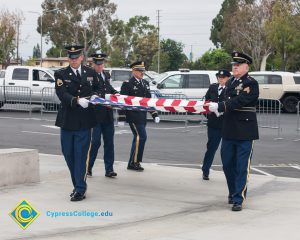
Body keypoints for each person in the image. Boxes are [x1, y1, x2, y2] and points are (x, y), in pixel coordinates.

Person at [208, 52, 259, 211]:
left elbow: (241, 100)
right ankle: (233, 191)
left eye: (238, 65)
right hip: (228, 129)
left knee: (242, 166)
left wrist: (222, 106)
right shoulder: (230, 82)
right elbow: (226, 100)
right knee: (228, 165)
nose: (234, 67)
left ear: (246, 67)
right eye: (233, 65)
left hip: (244, 131)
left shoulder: (251, 83)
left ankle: (238, 198)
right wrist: (218, 109)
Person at [55, 45, 101, 201]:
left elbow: (98, 88)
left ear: (82, 57)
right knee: (68, 154)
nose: (74, 60)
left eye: (76, 57)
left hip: (84, 121)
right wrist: (76, 100)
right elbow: (62, 94)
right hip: (67, 120)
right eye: (71, 57)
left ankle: (80, 189)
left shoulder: (91, 73)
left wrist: (94, 96)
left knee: (81, 155)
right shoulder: (61, 74)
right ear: (68, 58)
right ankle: (78, 185)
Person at [120, 61, 160, 171]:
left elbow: (148, 101)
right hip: (133, 116)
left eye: (143, 70)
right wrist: (121, 118)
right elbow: (123, 101)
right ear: (133, 71)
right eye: (140, 71)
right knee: (142, 137)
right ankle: (135, 162)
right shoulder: (127, 84)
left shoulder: (145, 83)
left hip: (142, 116)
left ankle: (131, 162)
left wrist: (154, 113)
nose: (142, 73)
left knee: (137, 139)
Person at [88, 53, 119, 178]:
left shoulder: (106, 74)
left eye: (101, 64)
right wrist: (98, 95)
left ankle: (109, 169)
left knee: (109, 142)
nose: (100, 66)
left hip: (107, 114)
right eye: (97, 64)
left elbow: (109, 88)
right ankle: (88, 167)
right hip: (96, 115)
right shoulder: (90, 75)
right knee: (95, 142)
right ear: (93, 64)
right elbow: (90, 91)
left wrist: (116, 93)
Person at [202, 69, 230, 180]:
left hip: (226, 123)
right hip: (213, 123)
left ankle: (229, 173)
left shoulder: (230, 89)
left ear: (228, 78)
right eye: (219, 77)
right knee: (211, 148)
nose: (220, 79)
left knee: (226, 150)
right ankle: (205, 170)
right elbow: (206, 101)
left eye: (223, 77)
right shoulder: (213, 87)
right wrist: (209, 114)